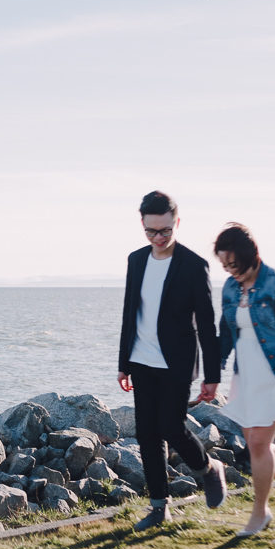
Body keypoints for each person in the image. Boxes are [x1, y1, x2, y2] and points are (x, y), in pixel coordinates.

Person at [118, 191, 228, 531]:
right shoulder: (136, 260)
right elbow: (129, 313)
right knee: (148, 434)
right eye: (151, 231)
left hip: (177, 362)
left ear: (176, 223)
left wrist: (212, 375)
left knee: (172, 426)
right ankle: (158, 507)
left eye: (165, 230)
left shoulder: (194, 265)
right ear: (142, 226)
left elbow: (207, 325)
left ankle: (209, 469)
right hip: (141, 359)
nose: (159, 238)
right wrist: (123, 362)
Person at [213, 223, 275, 537]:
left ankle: (260, 513)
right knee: (260, 444)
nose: (230, 271)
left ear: (250, 256)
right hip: (247, 374)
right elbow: (225, 334)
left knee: (257, 442)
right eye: (225, 266)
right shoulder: (230, 288)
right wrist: (213, 375)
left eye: (234, 264)